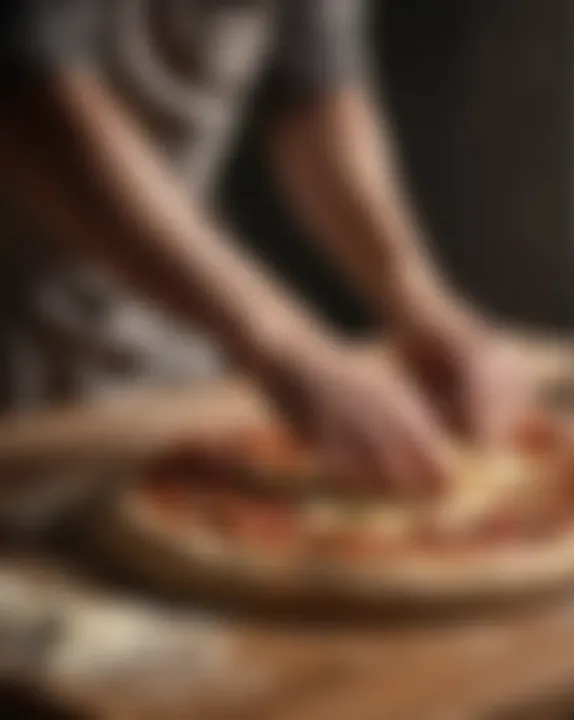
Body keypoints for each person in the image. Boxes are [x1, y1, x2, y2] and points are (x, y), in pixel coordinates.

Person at [0, 0, 528, 496]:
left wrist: (417, 298)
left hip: (171, 347)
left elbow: (317, 103)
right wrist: (284, 342)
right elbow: (37, 105)